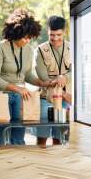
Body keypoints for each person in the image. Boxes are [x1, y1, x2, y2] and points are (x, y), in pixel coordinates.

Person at [0, 9, 55, 145]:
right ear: (15, 32)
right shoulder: (0, 48)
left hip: (19, 95)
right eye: (25, 37)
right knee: (3, 137)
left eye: (30, 37)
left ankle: (19, 162)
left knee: (18, 137)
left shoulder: (28, 49)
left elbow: (27, 74)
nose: (27, 40)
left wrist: (42, 83)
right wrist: (18, 89)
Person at [34, 16, 71, 146]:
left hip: (64, 100)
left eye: (59, 35)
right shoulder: (40, 50)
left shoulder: (72, 48)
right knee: (42, 134)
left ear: (65, 32)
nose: (55, 38)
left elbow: (75, 71)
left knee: (59, 135)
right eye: (52, 35)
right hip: (45, 98)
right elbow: (43, 77)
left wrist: (65, 77)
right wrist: (60, 79)